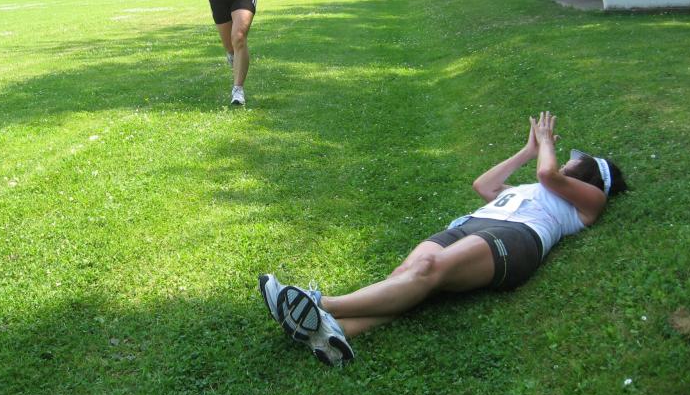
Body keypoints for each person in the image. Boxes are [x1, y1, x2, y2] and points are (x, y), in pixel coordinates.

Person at [258, 111, 627, 366]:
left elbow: (548, 173)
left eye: (574, 162)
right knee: (406, 275)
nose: (565, 162)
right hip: (472, 224)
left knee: (428, 269)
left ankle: (319, 303)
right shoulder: (534, 188)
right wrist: (528, 151)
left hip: (517, 237)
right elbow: (485, 186)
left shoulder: (589, 202)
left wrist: (545, 144)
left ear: (588, 175)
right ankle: (332, 335)